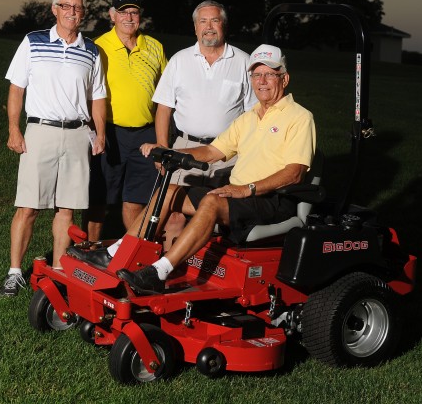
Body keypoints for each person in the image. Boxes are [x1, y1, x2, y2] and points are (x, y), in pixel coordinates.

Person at [71, 44, 316, 295]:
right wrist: (169, 153)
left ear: (284, 78)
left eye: (270, 74)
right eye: (256, 75)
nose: (262, 81)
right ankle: (116, 253)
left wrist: (246, 189)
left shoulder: (299, 117)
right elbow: (212, 152)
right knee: (170, 192)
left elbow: (295, 171)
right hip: (237, 196)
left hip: (270, 199)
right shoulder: (249, 117)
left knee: (211, 201)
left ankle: (159, 272)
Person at [0, 0, 107, 298]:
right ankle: (15, 272)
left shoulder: (91, 51)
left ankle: (59, 272)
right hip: (40, 131)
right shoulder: (33, 42)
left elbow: (97, 96)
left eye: (78, 8)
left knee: (67, 210)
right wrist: (13, 129)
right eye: (66, 6)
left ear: (82, 13)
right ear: (55, 10)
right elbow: (17, 89)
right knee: (29, 206)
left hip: (77, 135)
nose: (72, 12)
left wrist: (100, 133)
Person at [151, 0, 257, 248]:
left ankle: (208, 272)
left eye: (215, 20)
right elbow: (164, 108)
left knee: (222, 214)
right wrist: (163, 149)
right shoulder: (180, 60)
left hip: (229, 152)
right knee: (174, 211)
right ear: (195, 27)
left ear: (224, 26)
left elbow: (254, 113)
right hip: (186, 146)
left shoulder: (244, 62)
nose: (209, 27)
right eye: (203, 21)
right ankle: (167, 273)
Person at [83, 0, 167, 242]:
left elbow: (167, 91)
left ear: (140, 15)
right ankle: (90, 249)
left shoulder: (154, 46)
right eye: (123, 12)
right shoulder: (98, 46)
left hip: (146, 133)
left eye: (134, 12)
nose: (129, 17)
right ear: (112, 15)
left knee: (137, 198)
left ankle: (131, 253)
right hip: (109, 131)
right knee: (100, 198)